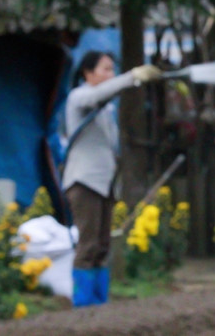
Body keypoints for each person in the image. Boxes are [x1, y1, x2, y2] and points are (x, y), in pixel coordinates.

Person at [62, 51, 161, 307]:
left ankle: (100, 306)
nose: (110, 75)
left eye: (112, 70)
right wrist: (133, 77)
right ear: (88, 73)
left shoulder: (106, 109)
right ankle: (83, 307)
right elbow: (97, 95)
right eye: (105, 69)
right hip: (84, 183)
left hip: (104, 185)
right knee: (88, 246)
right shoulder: (79, 97)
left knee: (102, 245)